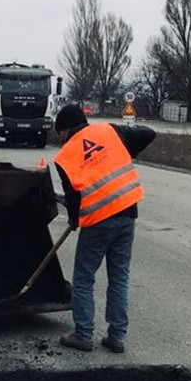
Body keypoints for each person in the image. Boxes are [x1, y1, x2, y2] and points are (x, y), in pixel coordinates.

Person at [53, 104, 156, 353]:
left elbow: (73, 199)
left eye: (60, 134)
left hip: (99, 221)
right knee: (119, 277)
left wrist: (74, 221)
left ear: (65, 130)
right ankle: (117, 337)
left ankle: (83, 334)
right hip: (128, 212)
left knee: (84, 278)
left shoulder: (66, 156)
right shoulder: (109, 131)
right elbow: (148, 133)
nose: (60, 139)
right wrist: (128, 150)